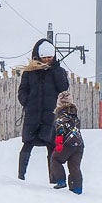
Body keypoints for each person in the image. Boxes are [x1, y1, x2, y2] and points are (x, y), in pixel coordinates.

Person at [17, 38, 70, 182]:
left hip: (50, 114)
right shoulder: (29, 72)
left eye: (50, 57)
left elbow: (63, 87)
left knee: (51, 146)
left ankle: (53, 179)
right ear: (38, 56)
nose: (47, 60)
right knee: (27, 144)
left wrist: (56, 69)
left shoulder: (58, 71)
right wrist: (26, 101)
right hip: (32, 113)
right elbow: (22, 90)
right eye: (44, 57)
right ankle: (20, 177)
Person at [51, 91, 85, 194]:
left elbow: (60, 130)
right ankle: (77, 188)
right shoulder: (74, 115)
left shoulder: (61, 116)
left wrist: (59, 143)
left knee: (55, 159)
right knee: (74, 166)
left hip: (67, 143)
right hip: (79, 144)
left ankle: (61, 181)